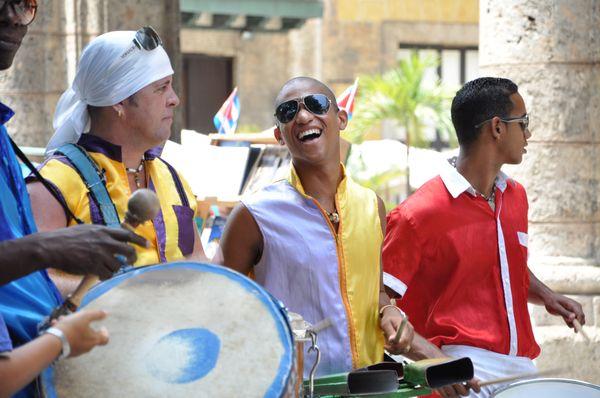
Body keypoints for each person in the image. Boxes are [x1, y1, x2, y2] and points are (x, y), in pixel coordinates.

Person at [382, 77, 585, 398]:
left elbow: (505, 260)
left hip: (521, 363)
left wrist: (546, 295)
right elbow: (379, 299)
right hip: (462, 364)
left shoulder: (515, 196)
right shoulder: (418, 212)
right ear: (497, 127)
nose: (528, 134)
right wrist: (431, 359)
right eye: (524, 123)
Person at [219, 77, 414, 377]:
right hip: (297, 387)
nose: (303, 116)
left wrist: (389, 312)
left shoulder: (371, 206)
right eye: (288, 111)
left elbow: (374, 292)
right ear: (279, 135)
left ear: (341, 118)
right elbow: (221, 305)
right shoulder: (254, 214)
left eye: (316, 104)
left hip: (371, 386)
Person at [0, 1, 145, 396]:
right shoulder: (62, 175)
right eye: (161, 88)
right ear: (120, 103)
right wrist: (46, 249)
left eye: (25, 4)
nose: (14, 16)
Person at [27, 27, 207, 296]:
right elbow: (32, 284)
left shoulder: (172, 177)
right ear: (119, 102)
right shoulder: (54, 184)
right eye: (161, 88)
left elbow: (198, 263)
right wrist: (125, 294)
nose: (174, 99)